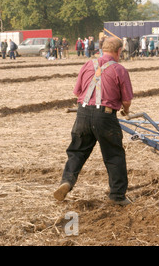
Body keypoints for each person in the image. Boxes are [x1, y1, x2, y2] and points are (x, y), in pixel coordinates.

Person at [53, 37, 134, 206]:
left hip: (82, 114)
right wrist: (125, 110)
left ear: (102, 49)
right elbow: (126, 100)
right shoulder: (119, 69)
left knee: (77, 152)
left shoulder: (87, 65)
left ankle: (66, 182)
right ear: (119, 51)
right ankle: (117, 196)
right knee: (114, 155)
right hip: (105, 116)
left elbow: (77, 92)